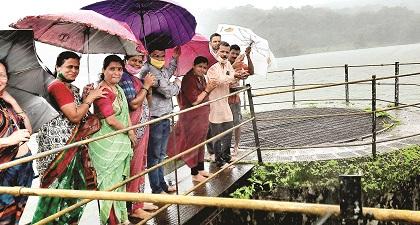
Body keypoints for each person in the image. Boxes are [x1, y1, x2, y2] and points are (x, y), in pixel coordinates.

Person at [33, 51, 106, 224]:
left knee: (72, 192)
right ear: (58, 67)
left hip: (69, 147)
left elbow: (74, 113)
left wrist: (84, 97)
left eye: (77, 68)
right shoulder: (57, 86)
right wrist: (89, 99)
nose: (74, 70)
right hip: (58, 151)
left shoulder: (69, 88)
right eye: (69, 67)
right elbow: (74, 116)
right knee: (57, 196)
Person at [89, 55, 135, 225]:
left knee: (120, 183)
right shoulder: (102, 91)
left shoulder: (119, 89)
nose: (116, 72)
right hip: (105, 144)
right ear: (103, 70)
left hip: (120, 141)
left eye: (119, 69)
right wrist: (130, 132)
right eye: (112, 69)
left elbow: (126, 115)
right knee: (109, 185)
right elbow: (111, 120)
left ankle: (123, 219)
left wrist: (130, 134)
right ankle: (110, 222)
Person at [119, 53, 157, 218]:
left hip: (143, 126)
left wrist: (148, 87)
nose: (136, 63)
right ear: (125, 61)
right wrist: (146, 86)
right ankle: (134, 207)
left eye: (140, 61)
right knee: (134, 166)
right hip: (135, 127)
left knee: (142, 164)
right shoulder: (125, 78)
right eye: (133, 60)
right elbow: (133, 103)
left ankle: (139, 201)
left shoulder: (136, 79)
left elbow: (148, 103)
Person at [167, 56, 217, 182]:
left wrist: (210, 88)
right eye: (200, 66)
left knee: (201, 143)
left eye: (204, 67)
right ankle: (194, 173)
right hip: (192, 117)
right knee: (193, 144)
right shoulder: (189, 79)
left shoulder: (201, 78)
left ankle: (200, 168)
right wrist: (208, 89)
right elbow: (195, 101)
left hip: (202, 117)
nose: (202, 69)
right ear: (194, 66)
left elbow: (204, 94)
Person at [139, 44, 181, 194]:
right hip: (155, 116)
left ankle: (162, 184)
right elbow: (167, 91)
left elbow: (167, 73)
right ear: (149, 55)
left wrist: (174, 58)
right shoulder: (147, 71)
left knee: (162, 153)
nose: (160, 58)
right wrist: (177, 85)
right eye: (156, 56)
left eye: (162, 56)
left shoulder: (159, 69)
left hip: (165, 115)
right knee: (154, 154)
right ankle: (156, 188)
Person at [0, 60, 34, 224]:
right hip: (4, 169)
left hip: (22, 165)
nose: (0, 79)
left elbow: (28, 130)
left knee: (16, 216)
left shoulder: (5, 103)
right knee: (4, 216)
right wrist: (9, 140)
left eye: (2, 75)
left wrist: (13, 102)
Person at [207, 41, 248, 168]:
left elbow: (230, 80)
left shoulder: (228, 65)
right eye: (222, 52)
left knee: (229, 130)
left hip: (225, 102)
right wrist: (233, 76)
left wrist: (239, 76)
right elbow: (218, 80)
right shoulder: (212, 67)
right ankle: (219, 161)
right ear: (216, 52)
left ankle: (227, 157)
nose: (224, 54)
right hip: (214, 103)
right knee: (217, 134)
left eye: (226, 52)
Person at [228, 44, 255, 156]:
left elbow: (251, 72)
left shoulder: (240, 64)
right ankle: (225, 146)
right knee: (225, 124)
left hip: (235, 97)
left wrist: (248, 56)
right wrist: (234, 65)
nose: (234, 55)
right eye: (232, 53)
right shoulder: (224, 63)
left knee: (237, 122)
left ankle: (236, 145)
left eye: (237, 54)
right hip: (222, 98)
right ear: (228, 53)